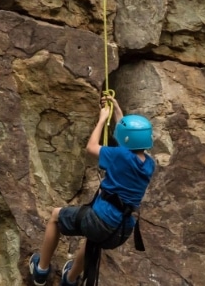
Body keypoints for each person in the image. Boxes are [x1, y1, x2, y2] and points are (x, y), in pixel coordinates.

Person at [29, 95, 156, 286]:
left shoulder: (119, 155)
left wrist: (102, 119)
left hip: (100, 222)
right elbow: (128, 141)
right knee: (92, 239)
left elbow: (91, 147)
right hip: (122, 231)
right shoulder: (149, 164)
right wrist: (117, 109)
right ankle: (70, 279)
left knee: (56, 217)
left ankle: (41, 270)